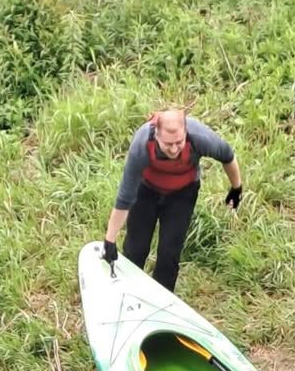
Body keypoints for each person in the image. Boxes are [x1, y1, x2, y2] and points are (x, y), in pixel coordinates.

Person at [101, 107, 242, 292]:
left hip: (182, 194)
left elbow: (227, 155)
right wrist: (109, 240)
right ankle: (129, 295)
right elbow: (125, 197)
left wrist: (236, 187)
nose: (174, 149)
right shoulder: (142, 144)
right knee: (136, 250)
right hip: (146, 192)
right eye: (168, 144)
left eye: (179, 142)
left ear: (185, 132)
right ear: (157, 135)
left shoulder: (200, 137)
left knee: (169, 254)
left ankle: (160, 304)